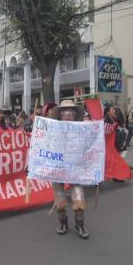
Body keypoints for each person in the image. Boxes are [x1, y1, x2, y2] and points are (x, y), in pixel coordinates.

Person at [48, 100, 90, 239]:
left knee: (79, 196)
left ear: (75, 115)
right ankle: (63, 222)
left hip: (75, 168)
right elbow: (42, 147)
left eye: (71, 112)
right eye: (65, 112)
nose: (68, 114)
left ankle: (80, 224)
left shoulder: (83, 129)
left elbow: (91, 148)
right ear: (59, 115)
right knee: (59, 197)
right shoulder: (51, 130)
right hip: (57, 168)